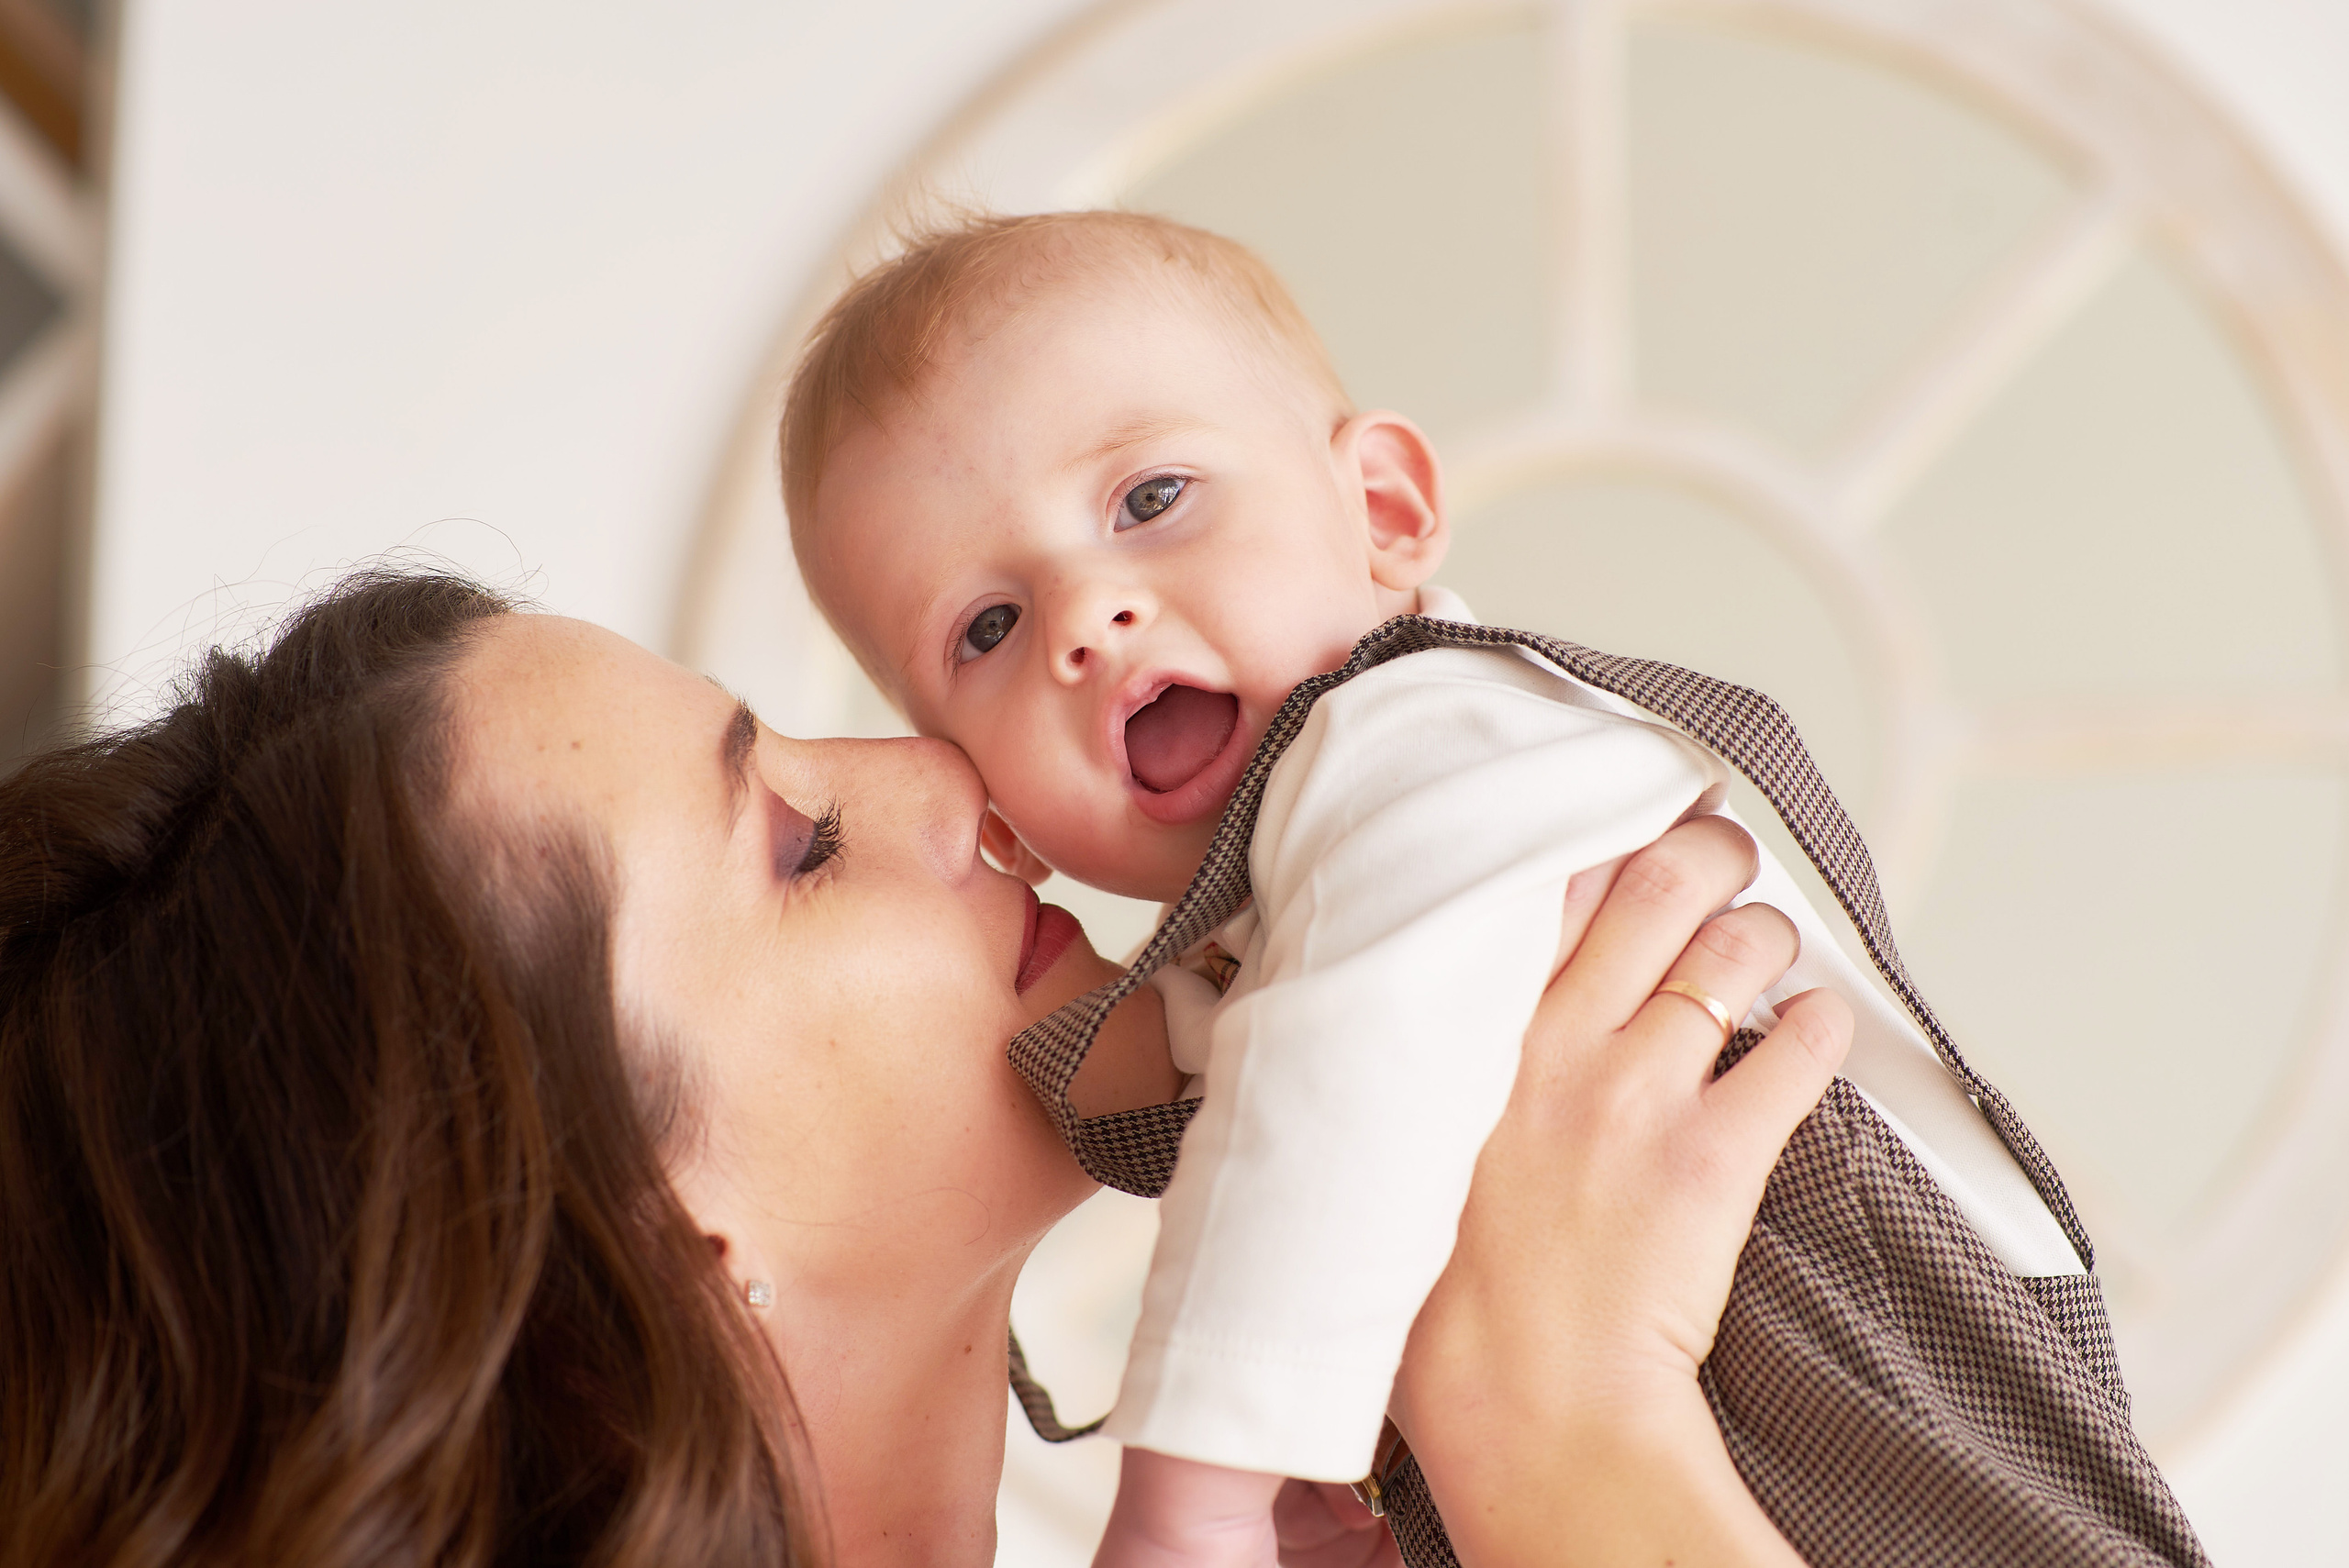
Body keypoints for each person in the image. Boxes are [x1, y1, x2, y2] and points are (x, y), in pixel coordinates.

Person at [0, 569, 1845, 1566]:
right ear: (637, 1257)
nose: (944, 779)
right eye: (797, 844)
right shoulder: (1528, 1427)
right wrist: (1567, 1442)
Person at [778, 211, 2127, 1562]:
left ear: (1383, 514)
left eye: (1150, 499)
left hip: (1883, 1357)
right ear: (976, 777)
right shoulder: (1277, 922)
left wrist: (1200, 1485)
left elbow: (1337, 1069)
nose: (1084, 617)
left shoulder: (1419, 740)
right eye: (987, 628)